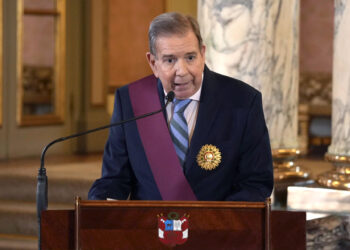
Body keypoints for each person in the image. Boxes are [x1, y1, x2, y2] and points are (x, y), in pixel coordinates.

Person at [88, 12, 273, 201]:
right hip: (149, 228)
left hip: (217, 227)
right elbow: (113, 180)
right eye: (170, 60)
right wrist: (99, 207)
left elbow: (256, 183)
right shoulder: (130, 101)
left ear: (203, 54)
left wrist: (218, 223)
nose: (182, 71)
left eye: (190, 58)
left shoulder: (243, 101)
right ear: (153, 63)